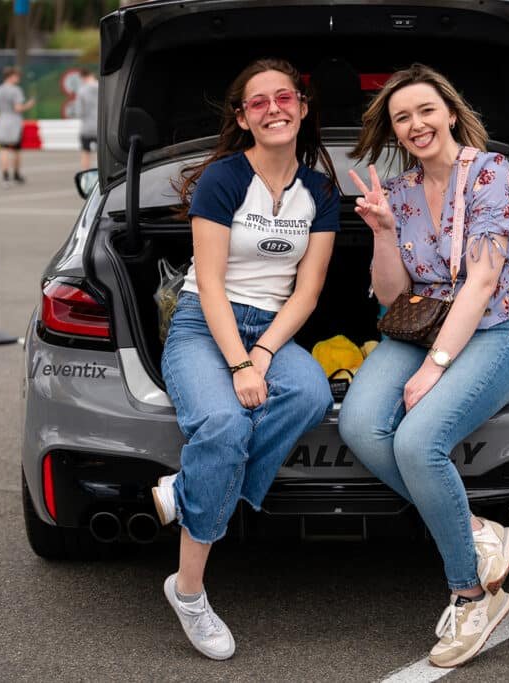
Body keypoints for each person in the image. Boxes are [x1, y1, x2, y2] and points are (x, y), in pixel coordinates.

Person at [339, 63, 509, 668]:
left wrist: (435, 368)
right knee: (358, 424)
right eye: (402, 117)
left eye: (425, 110)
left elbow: (481, 279)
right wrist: (381, 231)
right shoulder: (397, 191)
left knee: (419, 442)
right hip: (420, 322)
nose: (415, 124)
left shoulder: (490, 173)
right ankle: (478, 529)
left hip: (495, 326)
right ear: (395, 131)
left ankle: (471, 594)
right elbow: (391, 293)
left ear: (449, 112)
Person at [150, 57, 340, 661]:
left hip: (270, 329)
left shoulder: (321, 193)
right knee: (226, 423)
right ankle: (189, 591)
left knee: (310, 394)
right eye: (258, 102)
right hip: (205, 326)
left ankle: (197, 490)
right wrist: (239, 365)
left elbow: (307, 292)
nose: (274, 108)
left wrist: (262, 354)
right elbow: (207, 285)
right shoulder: (225, 179)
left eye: (284, 97)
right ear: (243, 118)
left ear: (303, 109)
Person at [0, 66, 35, 186]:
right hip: (14, 121)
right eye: (17, 76)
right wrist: (28, 105)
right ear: (11, 76)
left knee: (4, 149)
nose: (18, 78)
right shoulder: (16, 90)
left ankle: (5, 176)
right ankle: (16, 174)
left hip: (2, 120)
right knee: (16, 150)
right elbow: (18, 108)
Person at [75, 69, 98, 169]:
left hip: (87, 127)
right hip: (102, 126)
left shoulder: (82, 90)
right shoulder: (103, 87)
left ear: (83, 77)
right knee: (101, 153)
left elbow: (79, 112)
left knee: (85, 152)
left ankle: (86, 175)